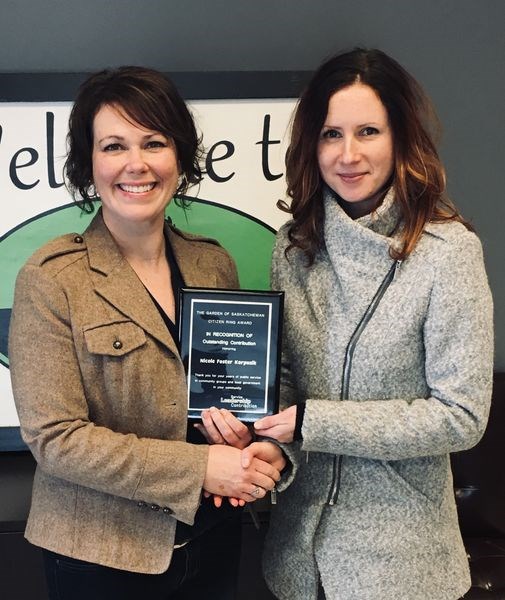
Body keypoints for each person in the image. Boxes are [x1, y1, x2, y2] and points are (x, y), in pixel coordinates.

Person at [202, 49, 494, 600]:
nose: (349, 154)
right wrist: (274, 447)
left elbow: (461, 417)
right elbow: (286, 379)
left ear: (401, 138)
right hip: (295, 561)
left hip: (403, 569)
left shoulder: (448, 253)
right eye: (331, 134)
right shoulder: (294, 249)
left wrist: (313, 425)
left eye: (368, 131)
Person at [8, 66, 285, 600]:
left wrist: (244, 439)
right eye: (114, 145)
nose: (136, 164)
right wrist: (201, 466)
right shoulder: (51, 277)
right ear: (89, 164)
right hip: (100, 557)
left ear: (179, 157)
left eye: (153, 142)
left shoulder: (213, 266)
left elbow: (224, 398)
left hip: (213, 537)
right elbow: (56, 438)